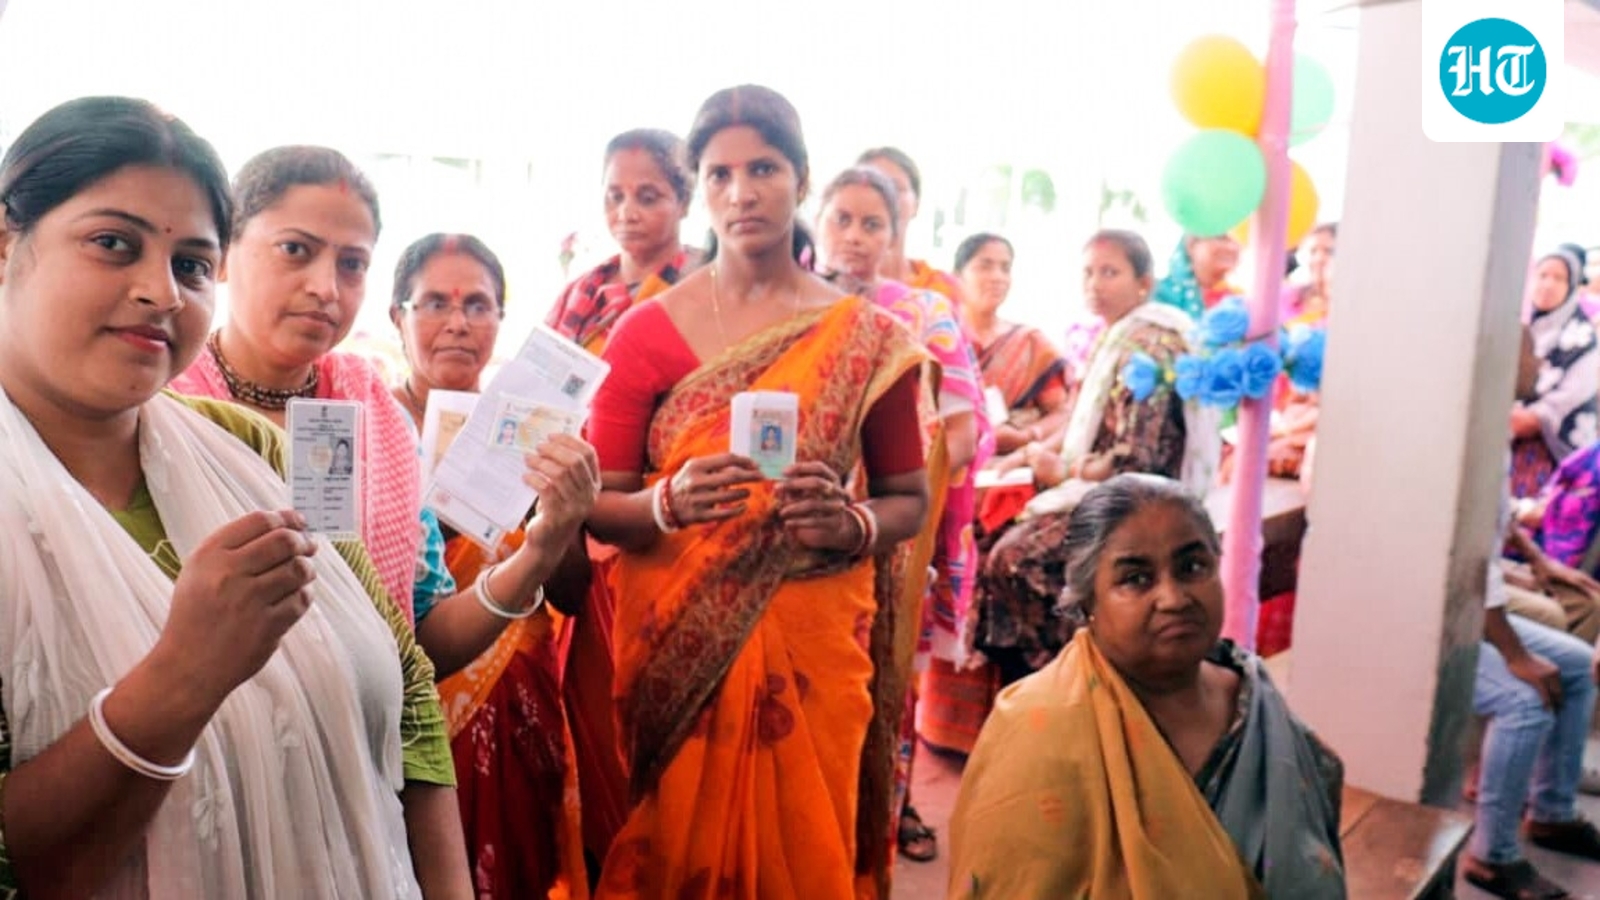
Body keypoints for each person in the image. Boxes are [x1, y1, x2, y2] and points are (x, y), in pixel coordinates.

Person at [0, 95, 470, 898]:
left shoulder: (251, 452)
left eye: (189, 263)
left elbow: (409, 685)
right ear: (7, 244)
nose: (162, 292)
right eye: (114, 244)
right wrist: (185, 674)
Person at [587, 84, 931, 899]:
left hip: (815, 645)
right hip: (676, 651)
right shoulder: (645, 331)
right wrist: (668, 505)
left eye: (764, 169)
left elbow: (907, 496)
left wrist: (848, 525)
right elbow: (598, 503)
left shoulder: (863, 337)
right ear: (699, 189)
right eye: (719, 174)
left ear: (803, 179)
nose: (742, 193)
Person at [949, 475, 1345, 899]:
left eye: (1193, 567)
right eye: (1136, 578)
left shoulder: (1259, 711)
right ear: (1088, 601)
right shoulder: (1038, 731)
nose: (1173, 598)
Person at [390, 232, 601, 899]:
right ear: (398, 317)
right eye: (434, 303)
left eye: (478, 305)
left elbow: (572, 589)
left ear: (501, 321)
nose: (457, 323)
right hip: (409, 705)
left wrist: (555, 515)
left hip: (514, 703)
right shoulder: (370, 426)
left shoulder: (542, 435)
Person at [815, 165, 993, 861]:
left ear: (895, 234)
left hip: (894, 535)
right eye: (843, 220)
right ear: (819, 221)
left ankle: (885, 821)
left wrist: (887, 502)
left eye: (872, 224)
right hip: (803, 528)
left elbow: (962, 432)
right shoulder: (791, 307)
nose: (855, 238)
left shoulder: (923, 314)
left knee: (887, 679)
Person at [167, 145, 428, 621]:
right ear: (224, 254)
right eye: (295, 250)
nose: (326, 288)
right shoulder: (161, 405)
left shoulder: (378, 414)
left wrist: (537, 549)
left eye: (352, 264)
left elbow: (418, 634)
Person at [545, 128, 701, 872]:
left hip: (679, 527)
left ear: (685, 198)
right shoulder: (585, 291)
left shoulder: (708, 287)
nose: (628, 211)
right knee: (599, 722)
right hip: (587, 516)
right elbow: (541, 400)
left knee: (675, 725)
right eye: (615, 194)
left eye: (649, 195)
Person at [976, 230, 1219, 686]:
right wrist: (1036, 453)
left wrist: (1061, 469)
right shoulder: (1118, 337)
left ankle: (1080, 683)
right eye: (1088, 272)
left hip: (1142, 506)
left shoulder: (1145, 346)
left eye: (1110, 272)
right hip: (1108, 491)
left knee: (1013, 561)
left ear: (1143, 283)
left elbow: (1138, 463)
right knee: (986, 535)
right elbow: (1087, 430)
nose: (1095, 284)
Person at [1465, 488, 1600, 899]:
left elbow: (1496, 513)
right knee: (1524, 700)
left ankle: (1551, 814)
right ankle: (1492, 856)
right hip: (1427, 603)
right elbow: (1474, 561)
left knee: (1576, 664)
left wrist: (1540, 562)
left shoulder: (1490, 429)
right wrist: (1515, 655)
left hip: (1466, 596)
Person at [954, 232, 1070, 455]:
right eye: (985, 266)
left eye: (1005, 268)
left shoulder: (1030, 343)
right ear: (958, 276)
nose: (997, 277)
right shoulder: (940, 339)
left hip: (1013, 471)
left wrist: (1026, 436)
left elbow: (1062, 413)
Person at [1511, 246, 1600, 499]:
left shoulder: (1584, 342)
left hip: (1553, 450)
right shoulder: (1520, 327)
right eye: (1542, 275)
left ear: (1571, 286)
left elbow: (1552, 411)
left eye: (1559, 278)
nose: (1548, 284)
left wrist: (1512, 421)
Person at [856, 147, 965, 305]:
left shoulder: (942, 287)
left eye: (896, 188)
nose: (885, 197)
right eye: (874, 187)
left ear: (916, 205)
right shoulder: (832, 286)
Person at [1152, 233, 1242, 320]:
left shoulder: (1238, 300)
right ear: (1191, 245)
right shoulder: (1161, 294)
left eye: (1236, 240)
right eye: (1220, 238)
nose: (1231, 247)